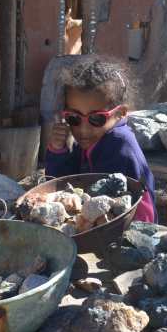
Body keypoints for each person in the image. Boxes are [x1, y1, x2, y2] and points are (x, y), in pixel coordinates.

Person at [46, 55, 156, 223]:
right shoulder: (90, 141)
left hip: (130, 228)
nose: (83, 129)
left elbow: (101, 207)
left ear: (120, 113)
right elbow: (64, 185)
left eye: (96, 119)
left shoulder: (119, 146)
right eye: (74, 118)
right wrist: (57, 150)